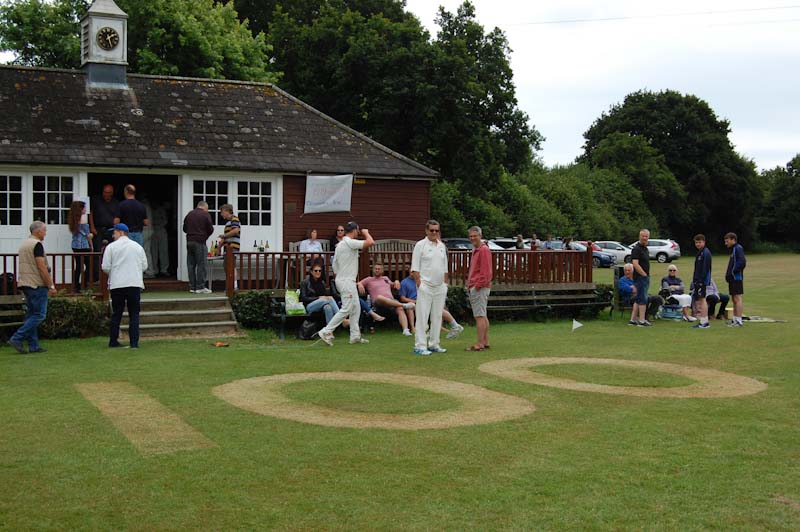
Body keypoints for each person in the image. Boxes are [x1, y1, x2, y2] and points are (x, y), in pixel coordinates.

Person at [317, 221, 374, 346]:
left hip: (345, 280)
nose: (358, 233)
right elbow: (370, 242)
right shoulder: (349, 242)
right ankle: (326, 331)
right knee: (347, 308)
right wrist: (366, 233)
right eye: (357, 231)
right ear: (354, 231)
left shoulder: (341, 245)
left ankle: (355, 336)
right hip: (346, 281)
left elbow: (335, 265)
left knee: (356, 308)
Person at [7, 222, 57, 354]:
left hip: (25, 282)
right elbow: (41, 267)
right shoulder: (37, 245)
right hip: (36, 283)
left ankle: (33, 345)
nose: (45, 233)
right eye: (44, 230)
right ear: (38, 231)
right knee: (39, 315)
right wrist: (50, 285)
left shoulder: (24, 244)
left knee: (31, 315)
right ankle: (17, 338)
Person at [410, 220, 452, 355]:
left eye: (436, 230)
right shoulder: (420, 245)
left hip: (440, 286)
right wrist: (419, 283)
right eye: (432, 230)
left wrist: (445, 285)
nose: (434, 233)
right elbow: (415, 267)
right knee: (422, 317)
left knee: (437, 316)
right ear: (426, 231)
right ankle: (420, 346)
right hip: (425, 286)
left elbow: (445, 268)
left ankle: (434, 344)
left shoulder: (441, 246)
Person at [102, 223, 147, 349]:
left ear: (121, 232)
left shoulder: (111, 247)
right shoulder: (137, 247)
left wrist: (114, 271)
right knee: (134, 313)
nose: (113, 235)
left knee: (117, 313)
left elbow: (105, 266)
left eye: (114, 232)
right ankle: (134, 343)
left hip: (117, 284)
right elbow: (144, 266)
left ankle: (113, 340)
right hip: (134, 283)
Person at [358, 263, 416, 336]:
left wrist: (396, 281)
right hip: (378, 304)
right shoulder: (369, 279)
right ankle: (404, 305)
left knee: (399, 308)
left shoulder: (385, 278)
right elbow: (358, 283)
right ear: (373, 270)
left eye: (379, 269)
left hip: (391, 302)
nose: (377, 270)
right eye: (375, 269)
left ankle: (405, 330)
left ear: (382, 270)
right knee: (379, 297)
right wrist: (360, 285)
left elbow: (393, 285)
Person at [399, 274, 463, 340]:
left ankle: (454, 326)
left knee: (437, 309)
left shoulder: (424, 279)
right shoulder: (406, 282)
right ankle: (454, 326)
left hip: (426, 298)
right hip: (419, 301)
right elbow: (403, 298)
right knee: (435, 310)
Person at [466, 225, 492, 351]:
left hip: (479, 288)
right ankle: (485, 342)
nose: (472, 238)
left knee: (479, 316)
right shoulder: (476, 249)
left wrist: (477, 286)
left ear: (480, 236)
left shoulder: (483, 250)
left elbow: (486, 272)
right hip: (478, 286)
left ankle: (480, 344)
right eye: (471, 236)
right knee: (483, 314)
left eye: (475, 236)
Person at [183, 200, 214, 294]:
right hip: (200, 241)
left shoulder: (189, 214)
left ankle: (192, 287)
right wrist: (205, 236)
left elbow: (184, 228)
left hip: (189, 241)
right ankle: (200, 286)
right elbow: (210, 228)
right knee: (201, 264)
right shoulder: (205, 215)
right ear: (204, 207)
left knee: (191, 264)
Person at [300, 260, 344, 326]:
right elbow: (304, 298)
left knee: (328, 307)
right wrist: (318, 298)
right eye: (316, 271)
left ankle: (329, 331)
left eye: (320, 271)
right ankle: (342, 320)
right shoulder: (305, 282)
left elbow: (324, 295)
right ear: (311, 272)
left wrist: (323, 298)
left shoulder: (322, 282)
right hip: (309, 306)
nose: (318, 272)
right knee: (329, 299)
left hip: (322, 303)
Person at [89, 183, 119, 278]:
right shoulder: (96, 200)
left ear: (112, 193)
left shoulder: (116, 202)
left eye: (109, 192)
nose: (107, 194)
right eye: (105, 192)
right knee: (97, 252)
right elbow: (90, 213)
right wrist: (92, 227)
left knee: (112, 252)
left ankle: (111, 275)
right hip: (98, 229)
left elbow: (118, 217)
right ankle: (97, 275)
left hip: (111, 230)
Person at [68, 200, 92, 293]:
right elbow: (88, 235)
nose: (86, 209)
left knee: (78, 266)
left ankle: (76, 286)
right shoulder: (83, 221)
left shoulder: (74, 220)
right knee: (88, 265)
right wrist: (91, 243)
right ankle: (84, 284)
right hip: (83, 245)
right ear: (81, 209)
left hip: (75, 245)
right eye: (84, 207)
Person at [629, 229, 652, 326]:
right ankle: (642, 320)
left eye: (646, 236)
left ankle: (633, 320)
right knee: (643, 299)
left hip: (644, 276)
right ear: (639, 237)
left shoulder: (645, 249)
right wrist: (644, 274)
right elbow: (635, 263)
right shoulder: (636, 249)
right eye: (643, 236)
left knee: (638, 299)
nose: (645, 238)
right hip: (640, 277)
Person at [724, 232, 746, 327]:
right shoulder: (733, 250)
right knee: (734, 299)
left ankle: (739, 320)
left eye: (727, 241)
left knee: (737, 298)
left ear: (733, 240)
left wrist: (732, 273)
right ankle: (735, 319)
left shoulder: (738, 248)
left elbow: (742, 262)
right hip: (732, 278)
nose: (726, 243)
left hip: (736, 278)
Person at [691, 234, 712, 329]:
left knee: (703, 299)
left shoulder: (706, 253)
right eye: (696, 242)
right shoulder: (700, 252)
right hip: (698, 280)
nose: (698, 244)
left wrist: (701, 281)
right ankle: (703, 321)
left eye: (700, 242)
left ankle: (704, 322)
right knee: (700, 299)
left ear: (704, 242)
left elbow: (705, 269)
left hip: (702, 281)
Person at [218, 204, 241, 289]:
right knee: (227, 267)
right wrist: (219, 247)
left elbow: (235, 230)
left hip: (233, 248)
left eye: (222, 212)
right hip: (227, 248)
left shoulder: (234, 219)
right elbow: (226, 237)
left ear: (228, 211)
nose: (221, 214)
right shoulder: (228, 222)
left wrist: (224, 235)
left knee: (231, 266)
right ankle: (229, 285)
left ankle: (234, 286)